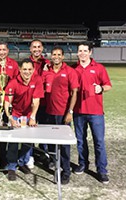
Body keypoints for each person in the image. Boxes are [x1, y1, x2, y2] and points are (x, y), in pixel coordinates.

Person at [72, 41, 112, 184]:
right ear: (77, 53)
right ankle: (83, 164)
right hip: (78, 112)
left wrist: (100, 89)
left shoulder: (99, 68)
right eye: (80, 50)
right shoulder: (74, 69)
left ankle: (102, 170)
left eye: (85, 50)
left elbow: (108, 85)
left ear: (90, 53)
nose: (82, 53)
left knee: (99, 142)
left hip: (96, 112)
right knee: (81, 141)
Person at [42, 46, 79, 184]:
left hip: (63, 113)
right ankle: (55, 165)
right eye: (54, 54)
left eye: (59, 54)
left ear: (63, 56)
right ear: (51, 56)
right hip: (48, 112)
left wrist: (70, 112)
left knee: (64, 145)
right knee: (51, 142)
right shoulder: (47, 71)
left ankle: (66, 171)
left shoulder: (70, 71)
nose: (56, 56)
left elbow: (74, 92)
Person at [4, 58, 44, 181]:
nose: (27, 72)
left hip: (28, 115)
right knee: (13, 142)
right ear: (20, 70)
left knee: (28, 141)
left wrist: (32, 117)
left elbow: (36, 101)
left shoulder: (37, 80)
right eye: (24, 69)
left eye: (29, 69)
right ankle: (11, 166)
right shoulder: (13, 83)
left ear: (33, 70)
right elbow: (7, 102)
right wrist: (10, 118)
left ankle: (22, 162)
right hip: (15, 113)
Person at [0, 41, 20, 169]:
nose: (1, 52)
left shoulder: (13, 64)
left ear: (8, 51)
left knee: (8, 131)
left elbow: (17, 81)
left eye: (4, 49)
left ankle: (7, 158)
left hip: (8, 103)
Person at [28, 39, 51, 168]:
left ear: (42, 49)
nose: (36, 49)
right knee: (30, 130)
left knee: (43, 129)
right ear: (30, 49)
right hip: (29, 102)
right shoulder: (26, 63)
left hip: (44, 103)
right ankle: (29, 154)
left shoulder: (47, 63)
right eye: (34, 47)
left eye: (39, 47)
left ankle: (44, 153)